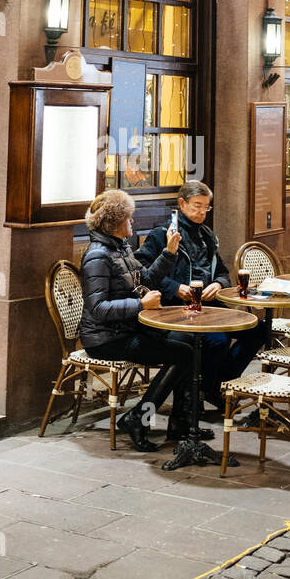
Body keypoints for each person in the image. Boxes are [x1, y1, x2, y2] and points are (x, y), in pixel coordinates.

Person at [136, 180, 266, 410]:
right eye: (197, 206)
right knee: (218, 339)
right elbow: (142, 271)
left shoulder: (207, 235)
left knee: (258, 330)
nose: (201, 212)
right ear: (181, 204)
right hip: (174, 308)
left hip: (209, 304)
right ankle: (204, 390)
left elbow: (224, 272)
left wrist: (218, 283)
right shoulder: (161, 233)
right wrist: (174, 287)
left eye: (206, 207)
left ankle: (213, 384)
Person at [79, 189, 192, 451]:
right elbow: (98, 309)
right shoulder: (98, 255)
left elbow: (146, 279)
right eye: (129, 218)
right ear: (115, 223)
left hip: (126, 329)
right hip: (105, 338)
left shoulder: (120, 248)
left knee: (188, 342)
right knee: (183, 354)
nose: (133, 222)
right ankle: (137, 419)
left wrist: (169, 252)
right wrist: (140, 304)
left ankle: (181, 423)